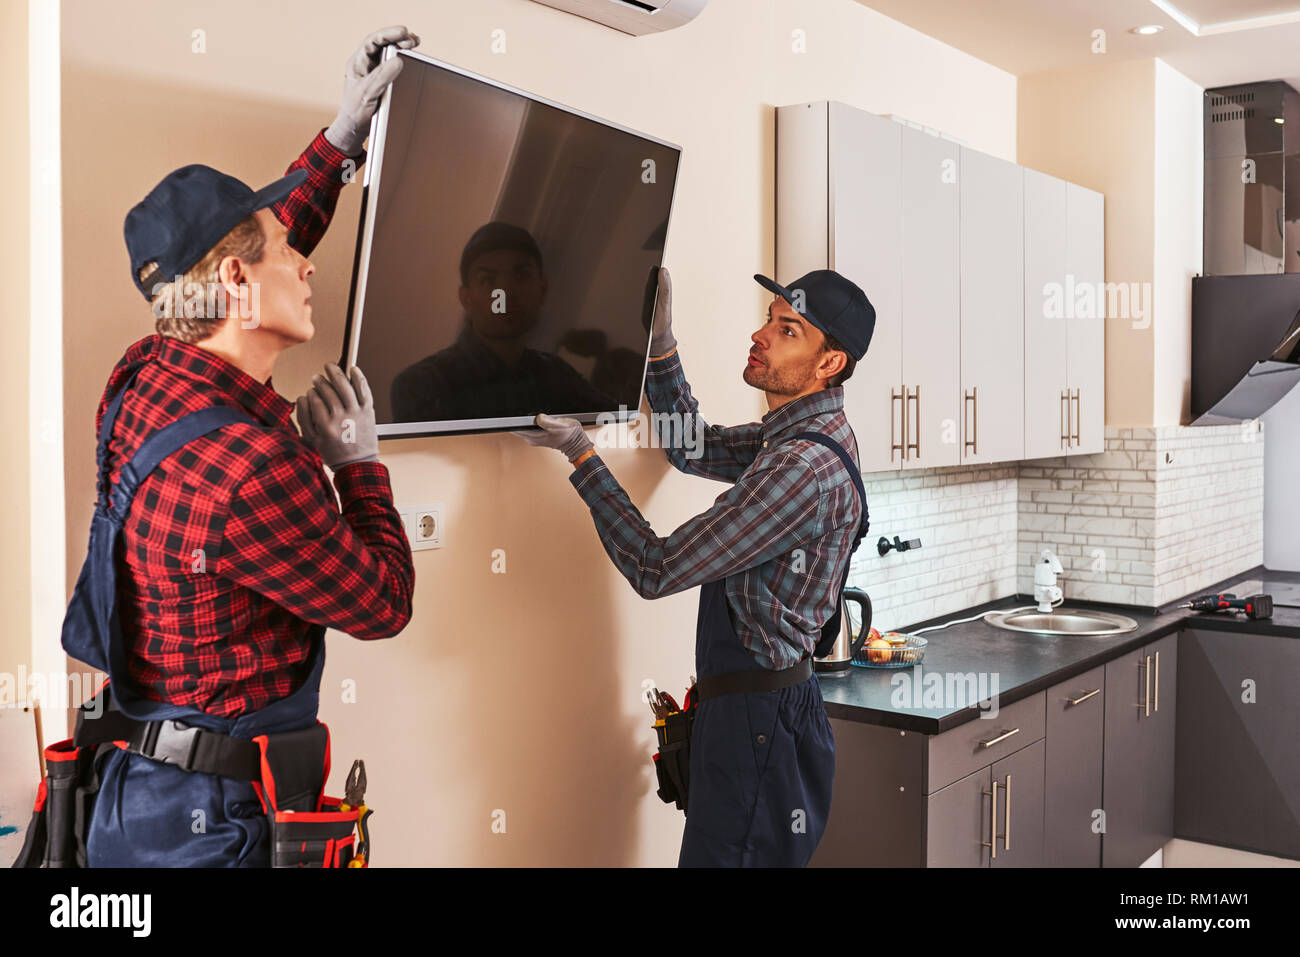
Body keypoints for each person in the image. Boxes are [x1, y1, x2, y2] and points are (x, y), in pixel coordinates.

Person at [73, 26, 420, 867]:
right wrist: (358, 466)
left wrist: (343, 135)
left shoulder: (145, 370)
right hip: (217, 825)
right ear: (232, 283)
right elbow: (383, 603)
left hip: (137, 795)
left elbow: (253, 247)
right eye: (287, 255)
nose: (307, 268)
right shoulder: (253, 471)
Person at [515, 266, 875, 867]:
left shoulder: (800, 469)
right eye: (768, 320)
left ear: (827, 364)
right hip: (751, 715)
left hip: (758, 727)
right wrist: (661, 346)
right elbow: (694, 448)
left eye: (788, 331)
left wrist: (582, 456)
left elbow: (657, 568)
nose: (761, 336)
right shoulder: (797, 435)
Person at [390, 221, 618, 422]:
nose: (506, 291)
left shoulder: (555, 374)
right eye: (488, 279)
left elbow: (627, 426)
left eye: (521, 275)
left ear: (543, 289)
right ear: (466, 298)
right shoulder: (422, 385)